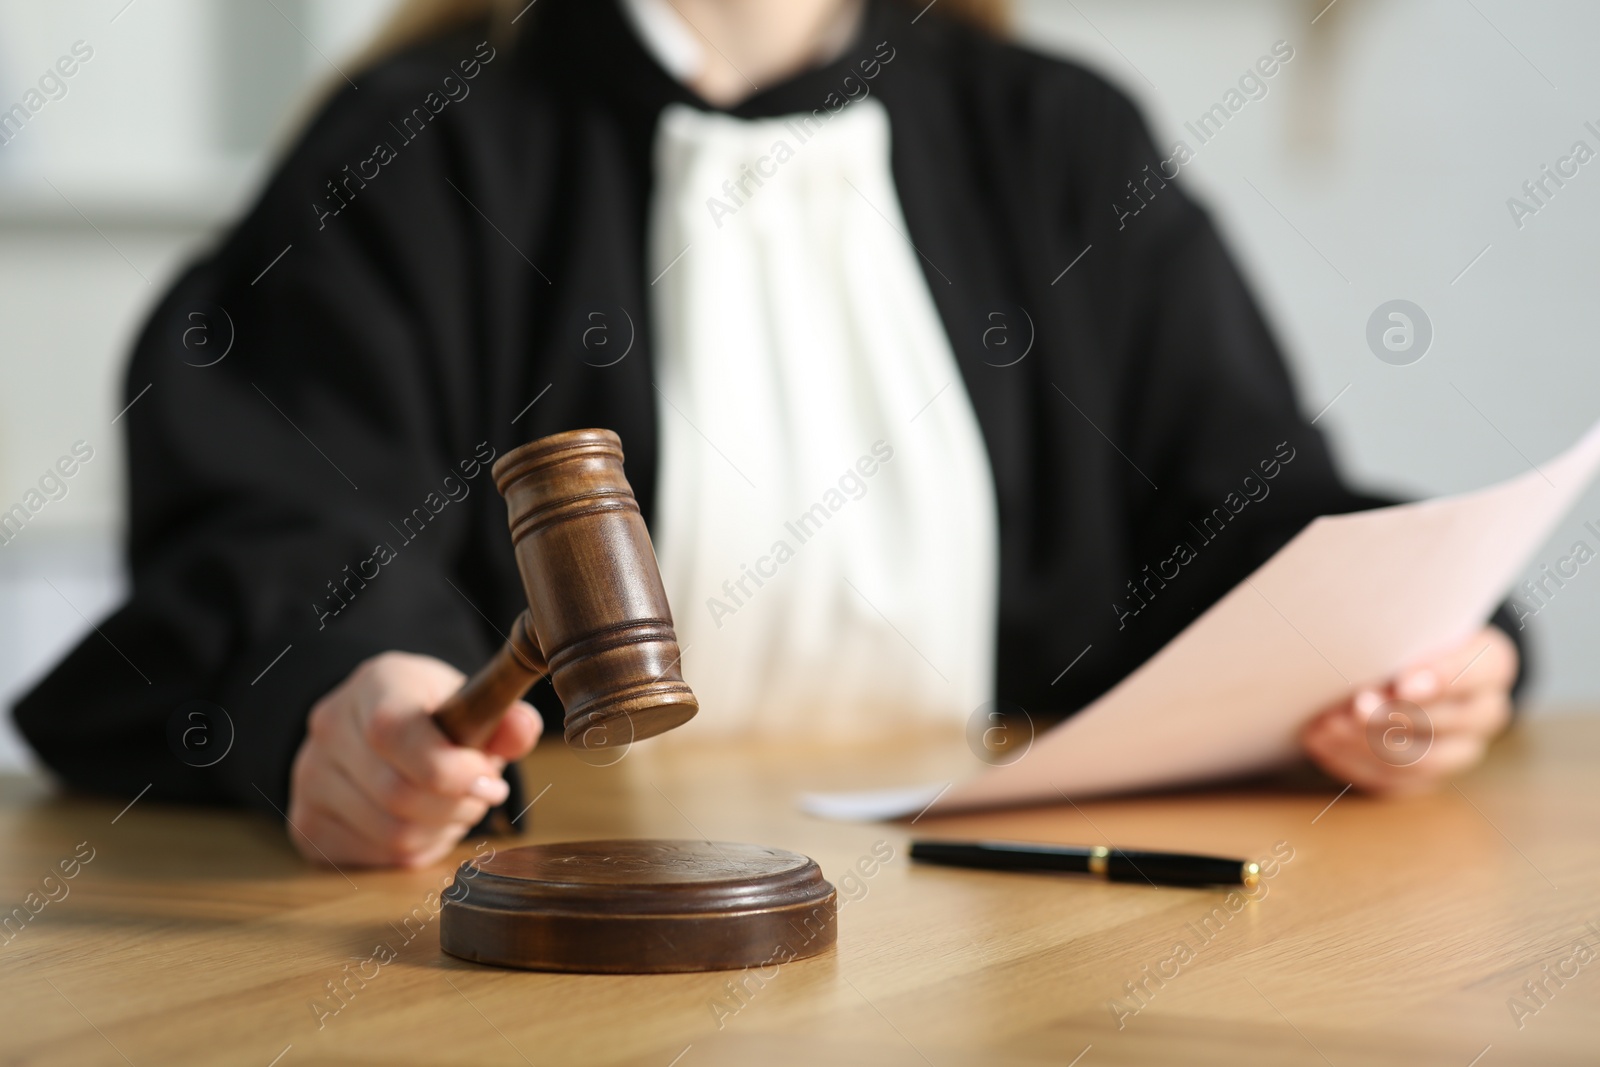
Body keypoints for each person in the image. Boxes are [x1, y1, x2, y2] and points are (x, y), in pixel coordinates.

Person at [13, 0, 1520, 868]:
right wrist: (352, 700)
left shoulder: (1059, 141)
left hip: (997, 931)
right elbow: (280, 526)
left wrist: (1430, 648)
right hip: (555, 952)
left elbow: (1246, 507)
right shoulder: (415, 150)